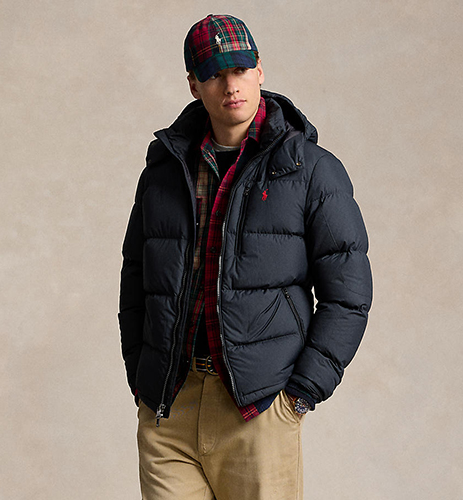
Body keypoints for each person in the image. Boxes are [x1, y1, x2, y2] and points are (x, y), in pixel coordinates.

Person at [119, 13, 372, 500]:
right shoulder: (164, 171)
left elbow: (349, 294)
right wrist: (141, 381)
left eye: (239, 69)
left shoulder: (311, 170)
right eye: (214, 74)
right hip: (169, 409)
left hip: (258, 410)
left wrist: (299, 396)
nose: (230, 85)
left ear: (259, 69)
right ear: (194, 85)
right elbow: (136, 281)